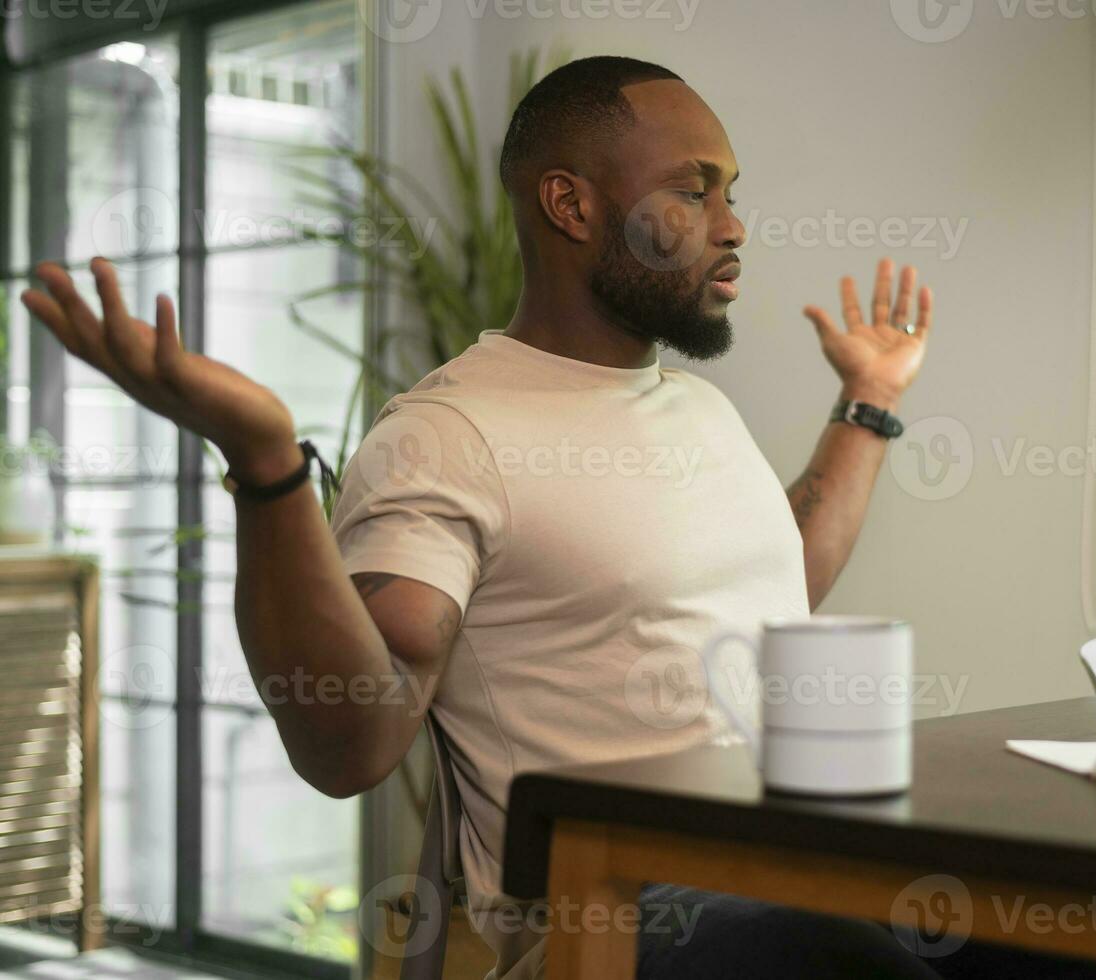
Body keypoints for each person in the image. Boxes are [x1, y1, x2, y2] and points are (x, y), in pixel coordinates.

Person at [24, 55, 945, 978]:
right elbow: (351, 743)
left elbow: (780, 585)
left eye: (730, 193)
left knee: (1051, 938)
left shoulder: (698, 407)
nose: (733, 225)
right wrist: (268, 464)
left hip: (778, 860)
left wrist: (865, 402)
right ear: (571, 205)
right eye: (691, 191)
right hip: (622, 921)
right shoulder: (449, 432)